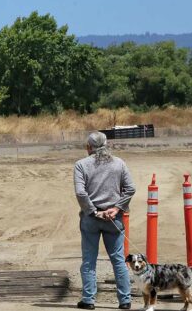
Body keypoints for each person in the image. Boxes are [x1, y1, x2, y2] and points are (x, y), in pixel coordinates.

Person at [74, 131, 136, 310]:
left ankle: (88, 300)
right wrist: (117, 208)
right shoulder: (119, 163)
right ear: (107, 145)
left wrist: (93, 212)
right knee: (118, 260)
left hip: (91, 218)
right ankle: (124, 300)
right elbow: (130, 189)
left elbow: (80, 192)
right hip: (114, 218)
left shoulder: (81, 165)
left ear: (88, 147)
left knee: (89, 260)